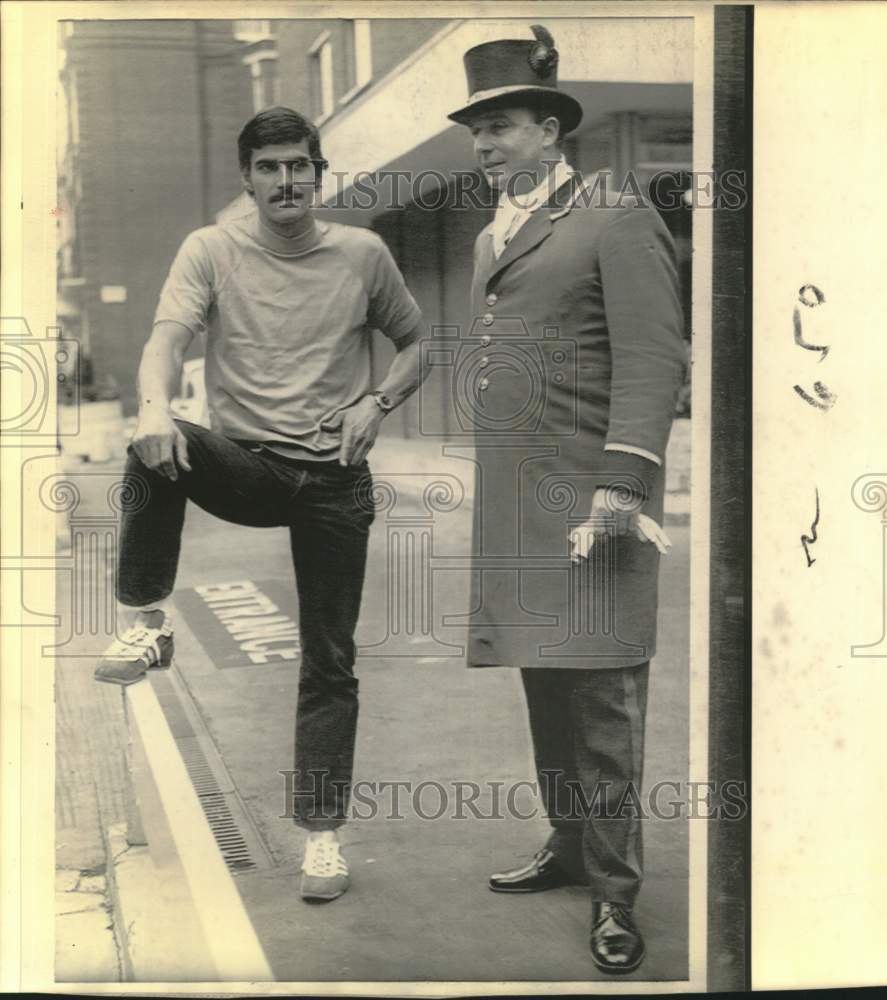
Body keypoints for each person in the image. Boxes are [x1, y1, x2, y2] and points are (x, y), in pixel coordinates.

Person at [95, 106, 429, 903]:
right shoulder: (211, 249)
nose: (287, 181)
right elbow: (166, 337)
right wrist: (149, 406)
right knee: (156, 443)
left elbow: (416, 344)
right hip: (244, 464)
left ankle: (321, 838)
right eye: (270, 168)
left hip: (335, 479)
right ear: (246, 180)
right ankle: (146, 624)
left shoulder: (363, 254)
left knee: (330, 658)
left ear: (320, 174)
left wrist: (377, 405)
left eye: (299, 166)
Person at [447, 26, 686, 974]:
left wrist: (624, 480)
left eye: (500, 125)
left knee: (605, 701)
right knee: (543, 680)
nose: (484, 145)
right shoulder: (489, 236)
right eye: (476, 131)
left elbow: (654, 357)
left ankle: (617, 894)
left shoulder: (615, 211)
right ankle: (568, 843)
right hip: (518, 504)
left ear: (550, 129)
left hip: (596, 504)